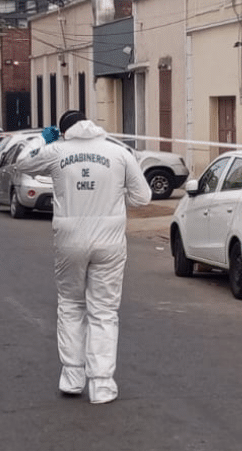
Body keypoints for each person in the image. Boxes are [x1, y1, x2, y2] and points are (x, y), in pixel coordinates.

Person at [13, 110, 151, 404]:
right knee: (103, 311)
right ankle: (101, 384)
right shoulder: (118, 152)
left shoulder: (56, 151)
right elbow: (143, 197)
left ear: (63, 131)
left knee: (72, 305)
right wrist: (114, 199)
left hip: (69, 239)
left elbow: (21, 162)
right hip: (110, 241)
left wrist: (40, 138)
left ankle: (72, 377)